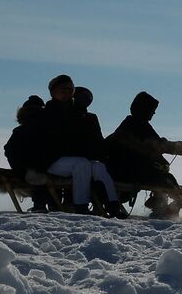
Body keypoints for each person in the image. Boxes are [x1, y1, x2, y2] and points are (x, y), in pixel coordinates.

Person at [41, 74, 128, 218]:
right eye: (63, 90)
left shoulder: (83, 116)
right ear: (53, 92)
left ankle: (113, 206)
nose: (68, 93)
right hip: (53, 160)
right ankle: (81, 207)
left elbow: (96, 143)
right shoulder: (46, 115)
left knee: (98, 166)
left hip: (80, 160)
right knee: (82, 164)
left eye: (70, 90)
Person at [105, 91, 182, 219]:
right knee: (165, 179)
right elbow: (156, 145)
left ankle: (161, 207)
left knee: (162, 174)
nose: (154, 113)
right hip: (128, 173)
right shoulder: (138, 125)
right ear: (144, 109)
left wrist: (174, 146)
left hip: (126, 170)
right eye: (152, 110)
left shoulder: (131, 124)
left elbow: (152, 144)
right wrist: (177, 148)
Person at [4, 95, 54, 212]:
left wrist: (19, 167)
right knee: (40, 177)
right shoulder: (49, 129)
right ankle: (49, 205)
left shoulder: (19, 131)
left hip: (28, 168)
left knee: (37, 177)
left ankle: (40, 205)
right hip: (45, 166)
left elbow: (9, 151)